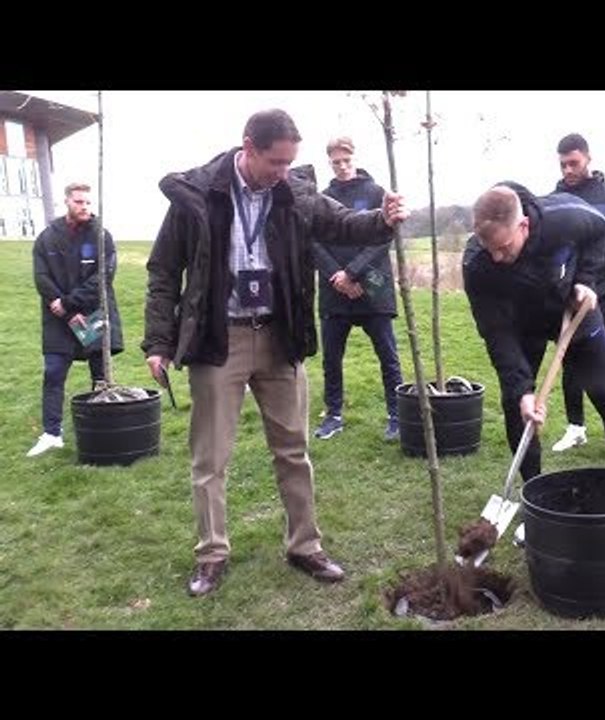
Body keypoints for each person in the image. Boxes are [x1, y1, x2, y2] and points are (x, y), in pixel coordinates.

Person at [142, 109, 408, 597]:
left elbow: (342, 223)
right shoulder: (197, 194)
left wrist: (382, 220)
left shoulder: (294, 193)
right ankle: (212, 554)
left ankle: (305, 546)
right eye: (275, 161)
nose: (283, 172)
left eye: (290, 162)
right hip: (218, 341)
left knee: (293, 450)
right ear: (248, 147)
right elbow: (163, 272)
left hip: (280, 337)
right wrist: (158, 342)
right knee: (211, 458)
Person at [463, 182, 605, 485]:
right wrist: (522, 390)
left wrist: (586, 279)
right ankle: (533, 493)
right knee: (517, 407)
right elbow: (496, 333)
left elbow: (600, 228)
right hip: (520, 324)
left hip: (572, 309)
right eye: (490, 249)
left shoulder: (563, 216)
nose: (497, 257)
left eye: (504, 247)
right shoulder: (477, 264)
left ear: (524, 225)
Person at [548, 133, 605, 453]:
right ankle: (576, 427)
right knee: (569, 363)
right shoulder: (555, 200)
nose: (568, 170)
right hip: (569, 299)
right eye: (563, 164)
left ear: (588, 158)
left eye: (573, 162)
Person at [313, 136, 403, 442]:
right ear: (330, 162)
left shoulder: (376, 192)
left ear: (355, 158)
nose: (342, 166)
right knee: (331, 359)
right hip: (333, 290)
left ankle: (397, 415)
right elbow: (313, 241)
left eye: (346, 160)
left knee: (388, 356)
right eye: (336, 162)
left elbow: (383, 237)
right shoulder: (321, 198)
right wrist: (337, 275)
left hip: (372, 289)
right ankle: (333, 415)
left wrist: (353, 273)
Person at [29, 182, 124, 457]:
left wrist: (71, 303)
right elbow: (41, 277)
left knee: (100, 372)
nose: (84, 207)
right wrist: (64, 308)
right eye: (79, 202)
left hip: (91, 315)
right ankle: (51, 433)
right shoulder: (47, 238)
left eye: (87, 203)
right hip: (59, 319)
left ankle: (104, 428)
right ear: (67, 202)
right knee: (54, 373)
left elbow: (103, 278)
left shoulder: (101, 237)